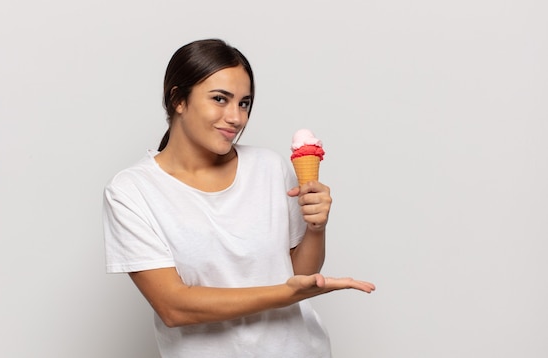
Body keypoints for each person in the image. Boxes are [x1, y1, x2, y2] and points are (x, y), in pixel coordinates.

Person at [102, 38, 375, 357]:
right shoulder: (132, 191)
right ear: (178, 99)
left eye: (244, 103)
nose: (236, 118)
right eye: (220, 99)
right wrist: (284, 294)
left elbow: (300, 276)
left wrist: (316, 227)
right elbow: (174, 308)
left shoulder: (270, 167)